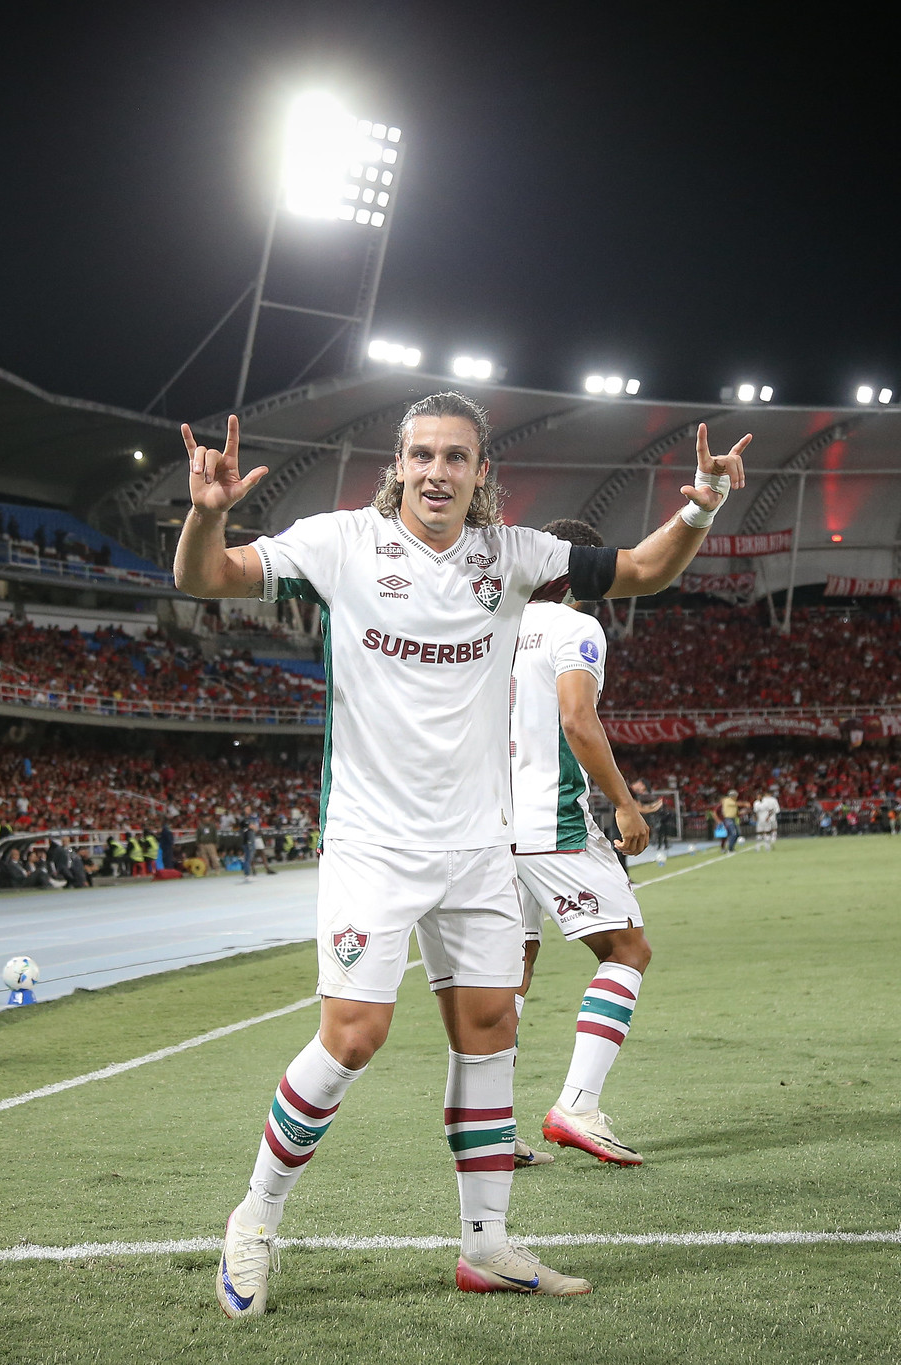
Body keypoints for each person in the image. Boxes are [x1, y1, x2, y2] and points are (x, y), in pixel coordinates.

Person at [174, 396, 746, 1313]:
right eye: (422, 455)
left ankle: (486, 1245)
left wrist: (701, 507)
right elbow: (211, 578)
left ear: (483, 473)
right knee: (353, 1036)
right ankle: (254, 1216)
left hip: (479, 847)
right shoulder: (338, 544)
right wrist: (207, 514)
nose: (438, 470)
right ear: (397, 464)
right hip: (372, 843)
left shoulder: (514, 556)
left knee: (490, 1031)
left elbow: (640, 567)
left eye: (457, 456)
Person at [507, 517, 657, 1169]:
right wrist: (624, 803)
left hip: (482, 826)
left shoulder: (484, 629)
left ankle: (485, 1128)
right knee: (626, 946)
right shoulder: (572, 626)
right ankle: (577, 1103)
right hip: (549, 821)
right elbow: (576, 718)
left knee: (507, 972)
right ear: (577, 572)